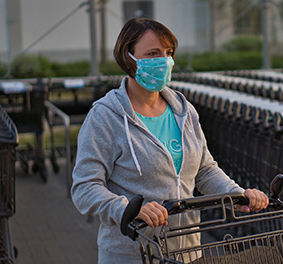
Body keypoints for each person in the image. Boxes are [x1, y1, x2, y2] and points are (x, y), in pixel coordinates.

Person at [71, 18, 269, 264]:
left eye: (168, 53)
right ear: (128, 58)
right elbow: (84, 188)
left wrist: (236, 194)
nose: (164, 61)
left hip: (186, 253)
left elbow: (205, 171)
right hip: (132, 255)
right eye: (153, 54)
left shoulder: (183, 110)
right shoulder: (105, 117)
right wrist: (126, 209)